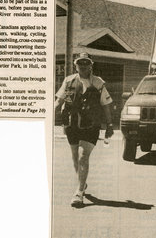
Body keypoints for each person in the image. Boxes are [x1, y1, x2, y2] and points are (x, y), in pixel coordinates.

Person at [54, 52, 114, 207]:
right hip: (72, 124)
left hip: (91, 125)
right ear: (76, 65)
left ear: (91, 65)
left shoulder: (98, 83)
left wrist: (109, 125)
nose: (83, 66)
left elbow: (106, 105)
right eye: (80, 63)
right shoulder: (68, 81)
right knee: (75, 156)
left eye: (86, 63)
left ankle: (79, 192)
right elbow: (59, 101)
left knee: (82, 156)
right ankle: (82, 183)